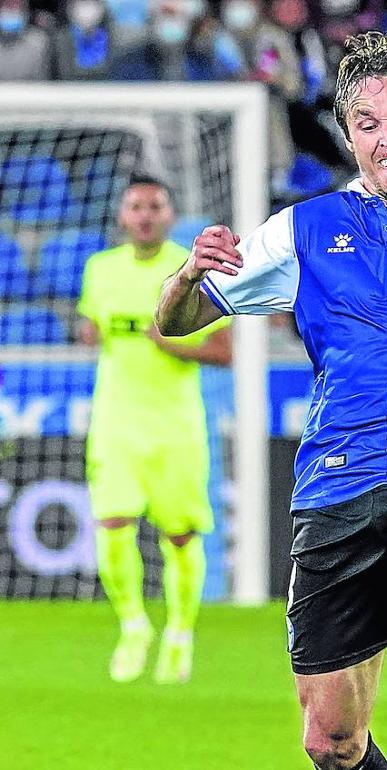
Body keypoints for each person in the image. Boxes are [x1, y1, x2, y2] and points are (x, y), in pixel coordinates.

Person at [154, 32, 387, 770]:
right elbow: (178, 321)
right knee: (332, 743)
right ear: (348, 135)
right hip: (340, 480)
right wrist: (185, 274)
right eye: (369, 123)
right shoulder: (302, 227)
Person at [78, 175, 232, 685]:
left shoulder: (186, 271)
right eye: (136, 207)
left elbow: (223, 351)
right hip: (115, 420)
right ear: (123, 216)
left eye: (155, 207)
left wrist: (171, 343)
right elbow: (93, 329)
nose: (144, 215)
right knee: (113, 525)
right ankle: (133, 625)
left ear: (169, 216)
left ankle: (181, 633)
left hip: (176, 424)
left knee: (180, 536)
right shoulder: (99, 270)